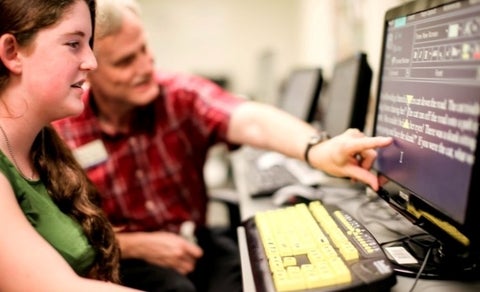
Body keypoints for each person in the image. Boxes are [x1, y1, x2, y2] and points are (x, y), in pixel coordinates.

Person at [52, 0, 393, 291]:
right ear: (90, 68)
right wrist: (131, 245)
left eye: (144, 49)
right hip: (119, 255)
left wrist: (318, 149)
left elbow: (249, 118)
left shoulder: (177, 95)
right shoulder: (60, 129)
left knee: (252, 276)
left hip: (196, 242)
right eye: (126, 61)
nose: (146, 66)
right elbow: (52, 234)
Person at [0, 0, 143, 291]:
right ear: (11, 52)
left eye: (88, 44)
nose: (91, 61)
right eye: (74, 43)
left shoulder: (41, 148)